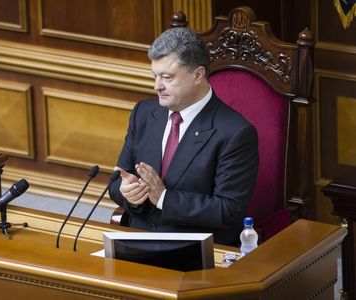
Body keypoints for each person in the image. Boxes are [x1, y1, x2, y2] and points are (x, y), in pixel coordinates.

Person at [109, 27, 259, 246]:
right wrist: (129, 192)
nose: (157, 86)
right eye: (155, 76)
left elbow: (228, 210)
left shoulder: (236, 132)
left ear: (198, 74)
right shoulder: (143, 113)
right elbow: (116, 182)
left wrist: (163, 198)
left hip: (194, 249)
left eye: (167, 77)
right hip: (136, 242)